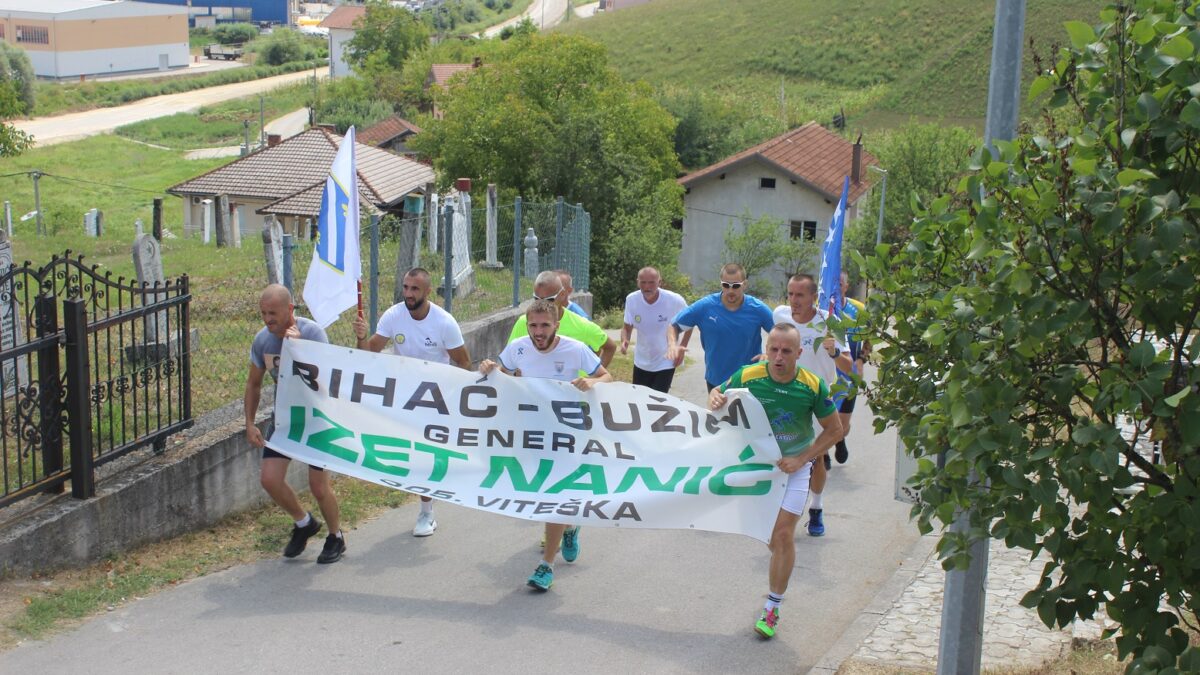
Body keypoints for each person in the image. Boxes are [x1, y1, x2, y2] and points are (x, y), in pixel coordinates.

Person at [708, 323, 843, 640]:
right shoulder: (748, 375)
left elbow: (835, 430)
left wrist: (803, 458)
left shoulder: (813, 385)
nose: (778, 357)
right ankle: (779, 569)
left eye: (786, 351)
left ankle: (772, 606)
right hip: (756, 468)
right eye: (773, 349)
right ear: (766, 350)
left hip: (793, 468)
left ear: (799, 353)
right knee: (771, 538)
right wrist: (715, 397)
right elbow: (718, 393)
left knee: (783, 536)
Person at [479, 300, 613, 591]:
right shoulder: (518, 347)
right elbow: (504, 373)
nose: (538, 332)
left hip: (568, 433)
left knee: (555, 495)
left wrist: (592, 382)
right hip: (532, 433)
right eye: (533, 325)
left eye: (544, 325)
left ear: (556, 325)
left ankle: (546, 566)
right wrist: (491, 367)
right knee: (541, 492)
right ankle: (571, 525)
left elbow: (606, 375)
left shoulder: (575, 349)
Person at [353, 268, 472, 537]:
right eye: (406, 287)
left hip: (435, 400)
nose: (408, 294)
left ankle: (426, 513)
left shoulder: (444, 323)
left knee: (426, 456)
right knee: (412, 456)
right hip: (403, 398)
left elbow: (464, 362)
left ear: (428, 292)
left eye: (414, 289)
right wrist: (361, 336)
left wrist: (452, 399)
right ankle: (427, 506)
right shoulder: (394, 315)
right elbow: (366, 354)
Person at [244, 284, 345, 564]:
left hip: (317, 418)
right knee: (269, 479)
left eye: (273, 313)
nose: (267, 320)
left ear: (290, 309)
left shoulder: (313, 333)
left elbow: (327, 380)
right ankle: (304, 523)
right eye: (263, 313)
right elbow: (253, 384)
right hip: (286, 419)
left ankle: (336, 536)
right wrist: (250, 422)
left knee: (319, 487)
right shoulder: (262, 340)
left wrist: (300, 349)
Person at [771, 274, 853, 537]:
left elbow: (849, 367)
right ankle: (779, 507)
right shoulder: (780, 315)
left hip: (818, 396)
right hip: (785, 396)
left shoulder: (829, 322)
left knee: (816, 458)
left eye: (800, 295)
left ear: (813, 297)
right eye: (790, 294)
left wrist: (835, 352)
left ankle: (816, 507)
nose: (794, 301)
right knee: (780, 453)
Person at [667, 263, 775, 392]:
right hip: (716, 381)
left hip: (749, 380)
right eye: (726, 285)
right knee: (719, 413)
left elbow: (779, 333)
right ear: (721, 284)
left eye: (735, 286)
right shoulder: (705, 306)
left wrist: (769, 353)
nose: (730, 291)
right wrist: (673, 345)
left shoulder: (758, 309)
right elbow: (674, 326)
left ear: (744, 284)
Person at [509, 270, 616, 370]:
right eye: (537, 299)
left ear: (563, 295)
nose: (542, 304)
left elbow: (610, 347)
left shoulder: (581, 325)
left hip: (570, 389)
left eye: (549, 299)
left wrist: (592, 378)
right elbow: (509, 359)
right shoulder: (523, 322)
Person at [620, 266, 691, 393]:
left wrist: (681, 348)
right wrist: (625, 340)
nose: (647, 287)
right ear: (637, 282)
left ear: (659, 282)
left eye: (652, 282)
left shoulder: (674, 300)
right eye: (643, 282)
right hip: (641, 361)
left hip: (666, 360)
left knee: (657, 401)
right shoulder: (631, 299)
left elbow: (690, 322)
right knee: (640, 400)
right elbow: (627, 326)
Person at [833, 271, 869, 464]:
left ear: (846, 286)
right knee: (822, 419)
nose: (836, 289)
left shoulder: (859, 310)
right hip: (826, 375)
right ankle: (822, 454)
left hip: (849, 375)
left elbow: (871, 338)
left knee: (843, 424)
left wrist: (861, 359)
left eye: (839, 284)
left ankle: (840, 439)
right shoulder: (820, 310)